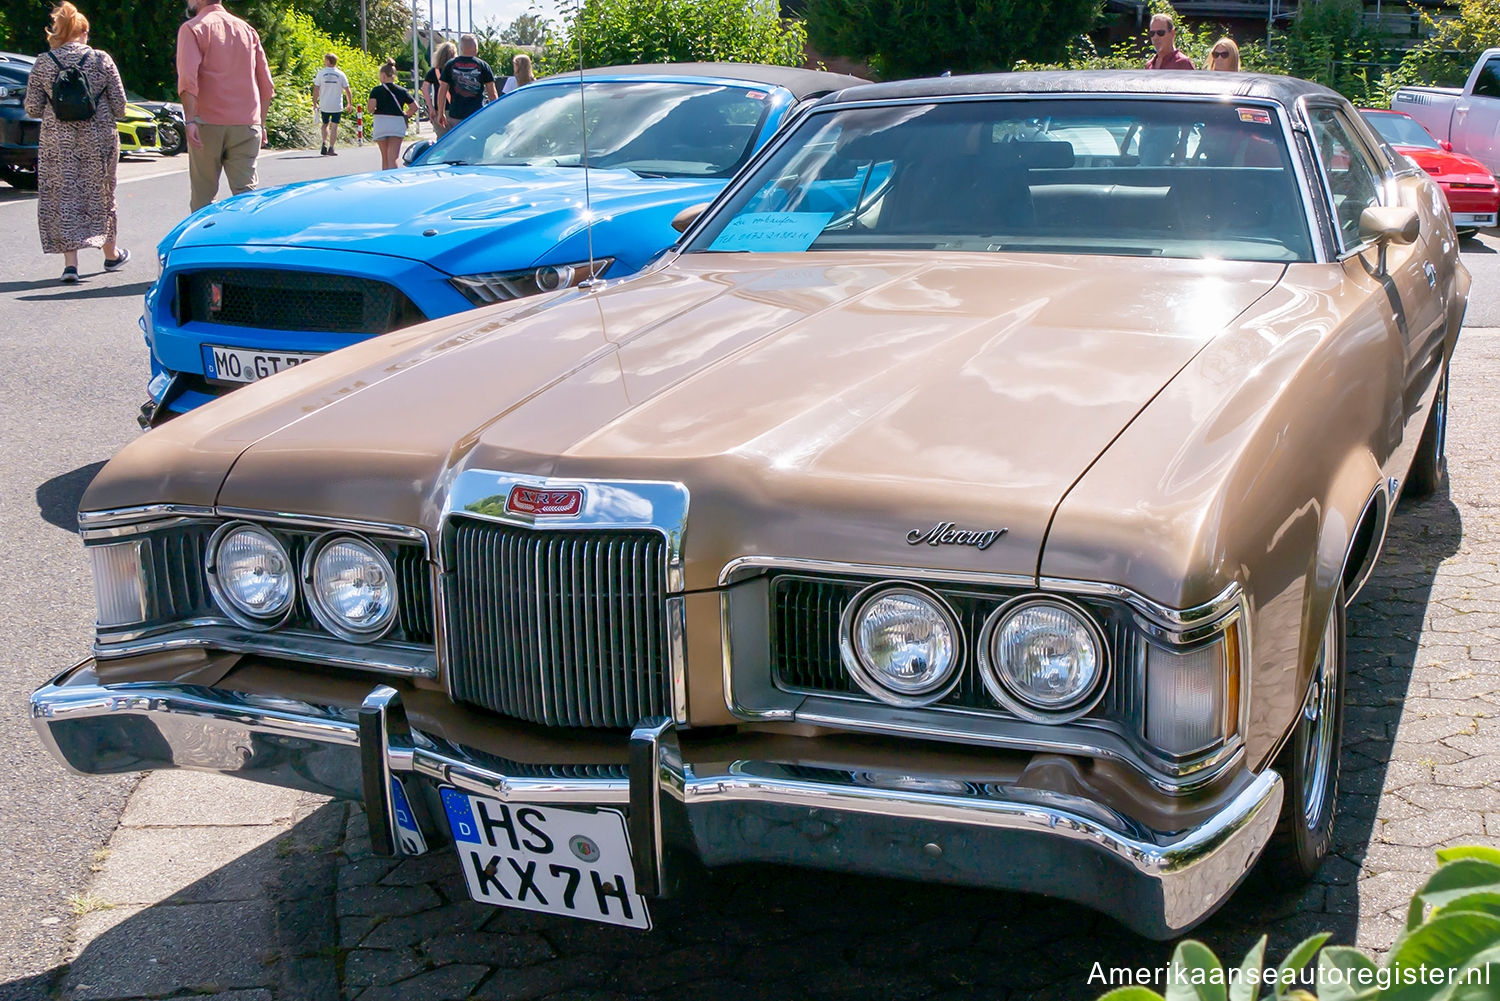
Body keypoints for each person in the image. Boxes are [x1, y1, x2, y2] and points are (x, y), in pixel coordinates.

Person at [22, 2, 129, 283]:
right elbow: (120, 107)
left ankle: (71, 265)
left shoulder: (44, 62)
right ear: (82, 31)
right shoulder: (101, 59)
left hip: (58, 143)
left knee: (63, 197)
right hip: (99, 140)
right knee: (101, 194)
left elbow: (32, 107)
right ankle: (111, 254)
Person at [176, 0, 275, 213]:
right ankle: (246, 242)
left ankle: (204, 244)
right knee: (246, 196)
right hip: (247, 124)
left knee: (203, 198)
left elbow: (188, 80)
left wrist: (190, 119)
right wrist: (261, 124)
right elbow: (266, 85)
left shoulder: (193, 28)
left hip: (207, 123)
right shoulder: (247, 30)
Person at [436, 34, 497, 131]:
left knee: (458, 143)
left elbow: (442, 90)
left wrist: (440, 113)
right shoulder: (483, 65)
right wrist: (495, 113)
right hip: (477, 114)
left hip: (456, 114)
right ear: (476, 47)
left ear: (461, 47)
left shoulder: (450, 65)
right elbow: (492, 94)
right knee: (478, 142)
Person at [369, 58, 415, 170]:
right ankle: (393, 181)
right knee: (393, 158)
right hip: (396, 124)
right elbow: (414, 107)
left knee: (384, 157)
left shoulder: (376, 90)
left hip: (381, 123)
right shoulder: (402, 91)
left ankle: (385, 181)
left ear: (383, 75)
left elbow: (370, 108)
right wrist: (406, 114)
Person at [313, 52, 351, 156]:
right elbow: (347, 89)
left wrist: (314, 102)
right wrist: (349, 103)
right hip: (336, 105)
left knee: (325, 124)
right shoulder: (341, 74)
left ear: (328, 61)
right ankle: (331, 148)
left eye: (325, 60)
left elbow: (316, 88)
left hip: (325, 104)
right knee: (334, 126)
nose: (324, 61)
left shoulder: (321, 73)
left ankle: (324, 142)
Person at [422, 40, 456, 136]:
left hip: (439, 109)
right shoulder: (456, 70)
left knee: (441, 140)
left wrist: (431, 108)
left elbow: (424, 89)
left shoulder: (434, 71)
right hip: (456, 110)